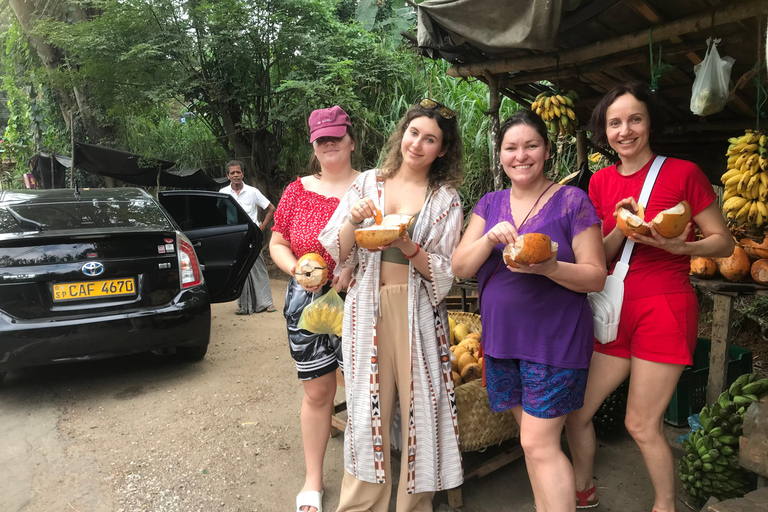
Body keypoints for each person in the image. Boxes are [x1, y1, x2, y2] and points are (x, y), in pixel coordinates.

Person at [564, 81, 734, 512]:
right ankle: (583, 489)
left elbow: (724, 243)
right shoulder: (599, 183)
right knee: (577, 413)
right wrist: (620, 229)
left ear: (649, 122)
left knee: (641, 424)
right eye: (615, 122)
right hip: (613, 307)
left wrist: (683, 247)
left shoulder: (683, 173)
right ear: (605, 130)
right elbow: (597, 257)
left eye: (634, 119)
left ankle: (664, 505)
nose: (625, 130)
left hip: (665, 306)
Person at [451, 108, 606, 512]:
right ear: (500, 155)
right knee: (534, 444)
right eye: (511, 147)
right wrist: (488, 240)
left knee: (537, 444)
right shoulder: (490, 203)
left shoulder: (574, 201)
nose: (521, 155)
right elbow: (460, 267)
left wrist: (550, 267)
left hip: (555, 341)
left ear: (548, 150)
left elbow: (595, 276)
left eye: (531, 145)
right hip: (502, 342)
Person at [318, 99, 464, 512]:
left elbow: (445, 271)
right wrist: (354, 218)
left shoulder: (445, 199)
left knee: (423, 409)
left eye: (430, 139)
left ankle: (414, 506)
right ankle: (361, 505)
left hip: (417, 311)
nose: (417, 144)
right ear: (403, 135)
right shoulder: (367, 183)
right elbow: (338, 250)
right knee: (365, 410)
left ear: (443, 150)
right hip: (368, 307)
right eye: (413, 133)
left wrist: (407, 244)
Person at [269, 105, 358, 512]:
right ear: (314, 146)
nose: (329, 144)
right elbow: (278, 242)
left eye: (336, 136)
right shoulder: (296, 191)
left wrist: (351, 267)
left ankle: (366, 482)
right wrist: (296, 268)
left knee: (365, 392)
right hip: (308, 302)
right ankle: (313, 480)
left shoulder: (372, 187)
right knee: (318, 391)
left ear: (350, 140)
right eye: (321, 140)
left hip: (359, 298)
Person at [221, 160, 276, 314]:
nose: (236, 175)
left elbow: (271, 209)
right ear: (228, 176)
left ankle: (267, 303)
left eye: (238, 172)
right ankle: (244, 305)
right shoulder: (223, 193)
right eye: (232, 173)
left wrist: (262, 227)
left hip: (252, 235)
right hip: (234, 236)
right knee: (240, 269)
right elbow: (217, 212)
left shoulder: (253, 192)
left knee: (258, 267)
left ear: (243, 174)